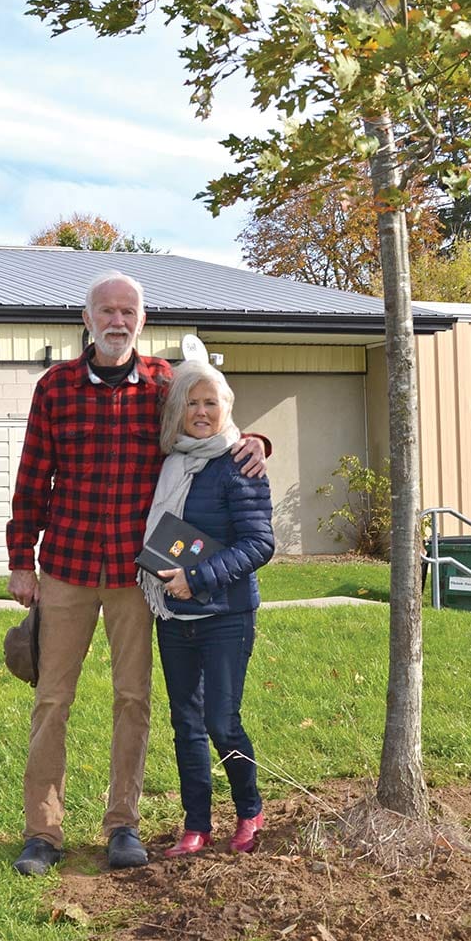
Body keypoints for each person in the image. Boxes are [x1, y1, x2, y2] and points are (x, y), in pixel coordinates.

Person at [6, 272, 267, 876]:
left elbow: (212, 423)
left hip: (136, 573)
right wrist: (22, 560)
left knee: (133, 699)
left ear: (142, 321)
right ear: (87, 319)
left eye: (128, 311)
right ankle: (42, 832)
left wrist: (255, 440)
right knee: (52, 700)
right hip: (67, 567)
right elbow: (32, 478)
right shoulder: (55, 388)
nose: (117, 321)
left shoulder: (163, 385)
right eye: (106, 311)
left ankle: (122, 825)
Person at [139, 361, 274, 857]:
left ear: (226, 408)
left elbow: (259, 544)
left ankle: (250, 811)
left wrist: (195, 579)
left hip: (226, 617)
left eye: (210, 403)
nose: (201, 412)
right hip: (174, 618)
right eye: (191, 403)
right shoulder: (169, 462)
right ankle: (196, 825)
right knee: (187, 725)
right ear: (177, 410)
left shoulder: (241, 462)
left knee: (221, 721)